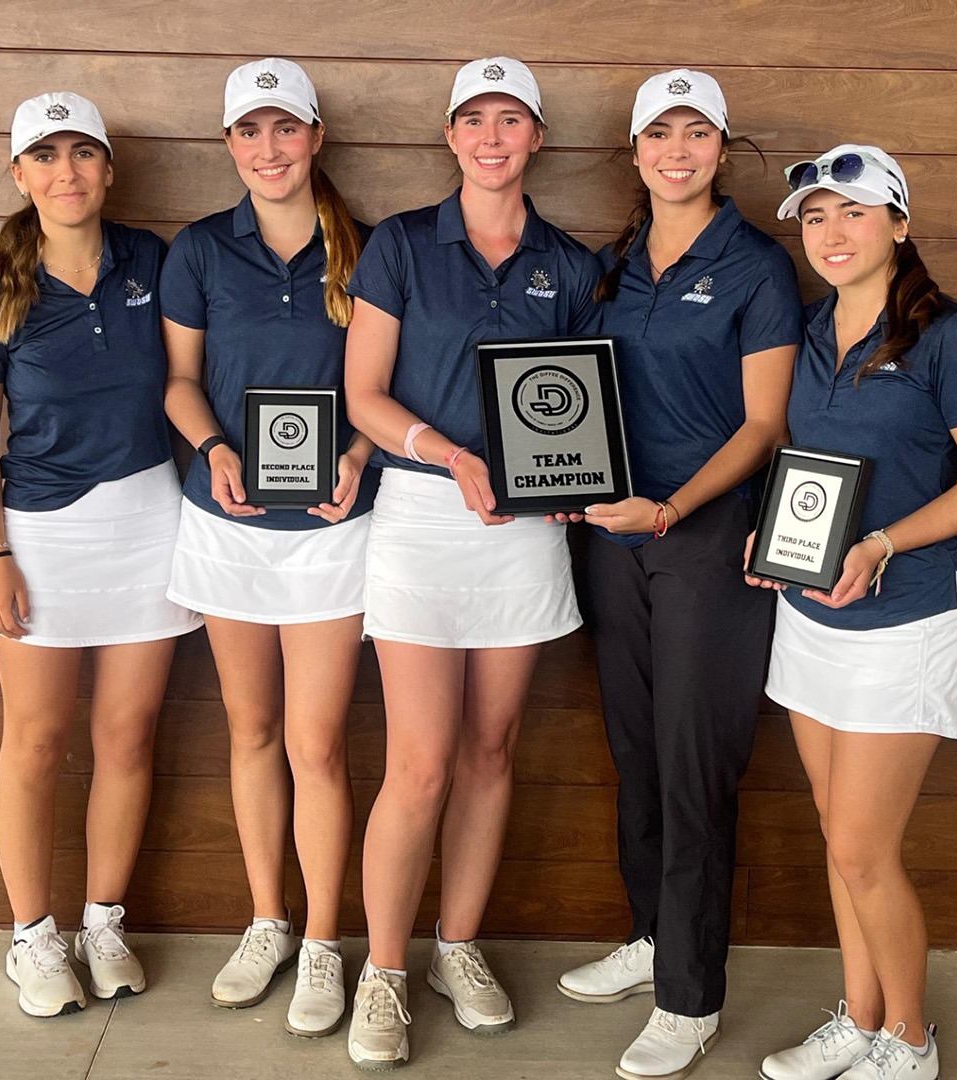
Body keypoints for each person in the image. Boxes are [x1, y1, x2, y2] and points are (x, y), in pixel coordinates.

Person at [339, 55, 601, 1069]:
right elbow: (365, 394)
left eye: (512, 120)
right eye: (474, 120)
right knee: (420, 762)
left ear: (536, 139)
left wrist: (574, 478)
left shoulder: (570, 265)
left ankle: (458, 947)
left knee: (493, 751)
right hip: (420, 517)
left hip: (527, 532)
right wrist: (451, 456)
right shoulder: (401, 247)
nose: (492, 137)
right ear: (451, 138)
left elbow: (581, 406)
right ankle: (385, 974)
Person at [750, 145, 957, 1080]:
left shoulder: (953, 337)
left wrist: (880, 546)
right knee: (838, 835)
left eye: (855, 213)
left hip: (908, 620)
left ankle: (909, 1039)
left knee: (865, 848)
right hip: (814, 619)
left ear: (900, 226)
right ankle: (861, 1019)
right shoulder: (810, 329)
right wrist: (774, 539)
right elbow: (803, 470)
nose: (832, 232)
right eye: (816, 216)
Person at [552, 69, 801, 1080]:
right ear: (636, 151)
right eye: (660, 133)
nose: (678, 151)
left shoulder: (757, 266)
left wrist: (672, 507)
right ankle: (656, 938)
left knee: (695, 768)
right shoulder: (612, 265)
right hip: (612, 539)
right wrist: (566, 479)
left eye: (697, 133)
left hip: (706, 542)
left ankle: (691, 1000)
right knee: (637, 753)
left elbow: (764, 423)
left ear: (723, 149)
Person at [0, 91, 201, 1018]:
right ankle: (33, 938)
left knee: (127, 737)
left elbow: (186, 378)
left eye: (82, 153)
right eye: (44, 157)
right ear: (19, 175)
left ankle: (101, 923)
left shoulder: (155, 262)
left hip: (148, 519)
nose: (66, 172)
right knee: (37, 741)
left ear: (109, 169)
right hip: (38, 533)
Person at [159, 58, 376, 1039]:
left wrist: (362, 455)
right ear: (231, 146)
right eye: (250, 132)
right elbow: (177, 380)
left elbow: (392, 384)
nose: (269, 149)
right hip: (228, 524)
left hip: (334, 532)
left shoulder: (370, 251)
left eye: (286, 129)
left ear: (317, 138)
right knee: (250, 733)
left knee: (316, 744)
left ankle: (326, 944)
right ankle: (268, 920)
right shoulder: (200, 250)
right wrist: (210, 448)